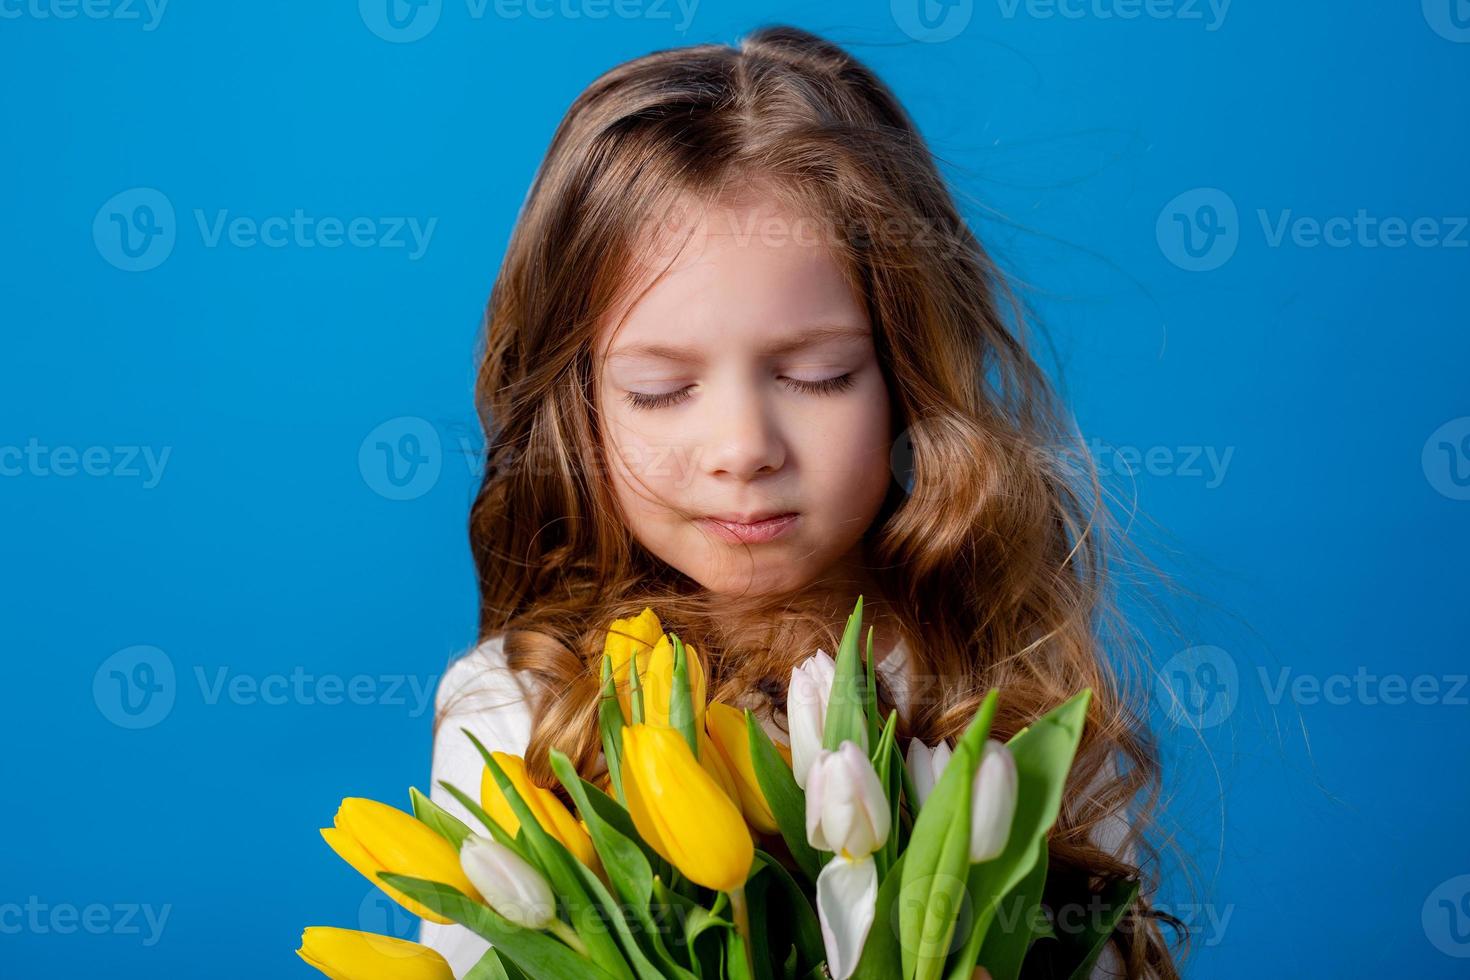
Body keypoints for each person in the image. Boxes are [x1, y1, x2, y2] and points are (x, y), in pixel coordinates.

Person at [422, 24, 1180, 978]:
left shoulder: (1014, 696)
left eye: (819, 376)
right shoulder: (520, 716)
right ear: (578, 409)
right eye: (660, 389)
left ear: (908, 378)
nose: (743, 449)